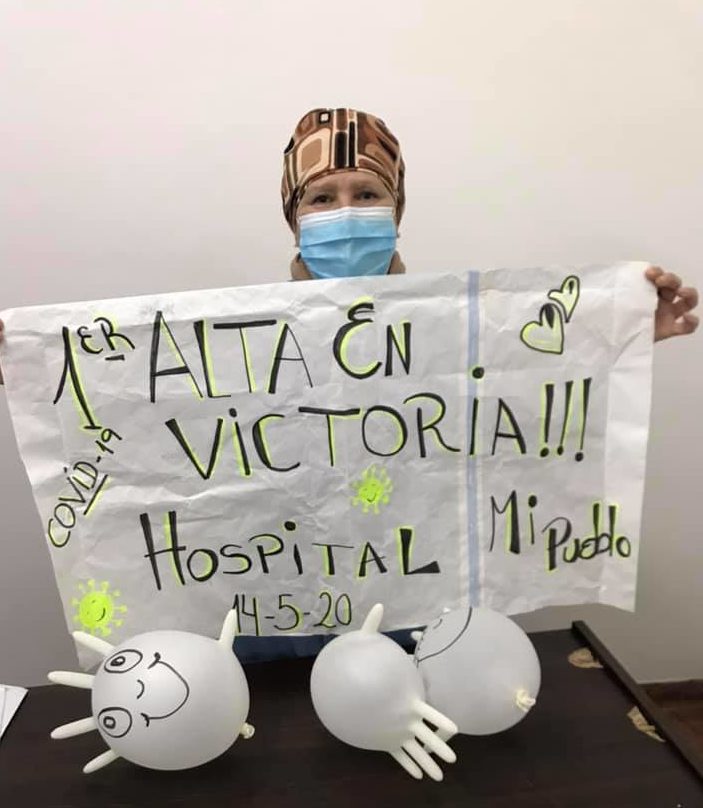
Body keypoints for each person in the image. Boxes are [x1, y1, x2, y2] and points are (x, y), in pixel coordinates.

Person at [0, 108, 699, 661]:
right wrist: (27, 358)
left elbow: (524, 399)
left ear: (396, 209)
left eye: (367, 193)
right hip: (264, 613)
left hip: (410, 608)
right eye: (321, 196)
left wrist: (620, 333)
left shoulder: (461, 333)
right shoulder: (229, 345)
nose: (345, 210)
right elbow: (132, 418)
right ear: (294, 216)